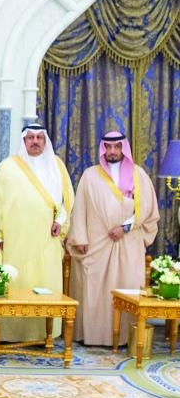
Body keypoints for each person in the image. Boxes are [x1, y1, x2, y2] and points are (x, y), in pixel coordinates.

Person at [67, 130, 159, 346]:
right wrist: (79, 238)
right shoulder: (90, 175)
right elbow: (79, 209)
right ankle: (93, 336)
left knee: (127, 287)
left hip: (128, 243)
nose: (112, 151)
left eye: (117, 147)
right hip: (97, 243)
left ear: (124, 148)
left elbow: (147, 209)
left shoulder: (138, 175)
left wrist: (125, 227)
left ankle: (126, 337)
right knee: (95, 290)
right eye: (108, 147)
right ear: (103, 149)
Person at [0, 123, 74, 342]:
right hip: (15, 239)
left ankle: (45, 335)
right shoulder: (7, 167)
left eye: (39, 137)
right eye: (30, 137)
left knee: (46, 285)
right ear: (23, 141)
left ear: (45, 141)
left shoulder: (56, 165)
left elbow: (66, 201)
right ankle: (11, 334)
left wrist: (60, 221)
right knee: (17, 282)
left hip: (47, 238)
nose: (35, 141)